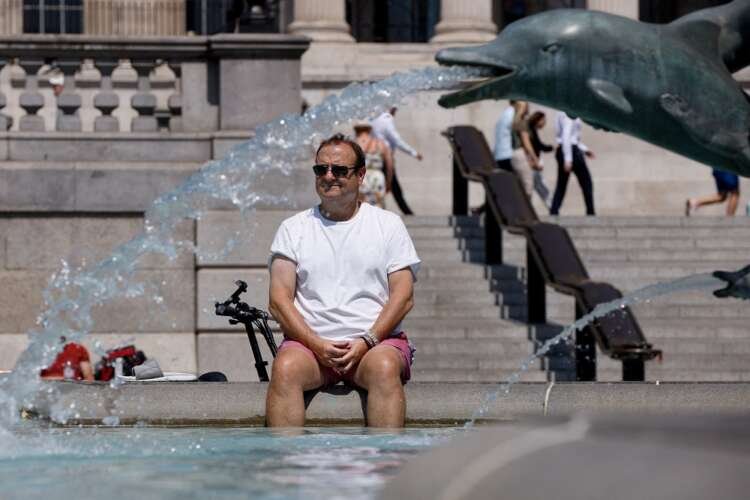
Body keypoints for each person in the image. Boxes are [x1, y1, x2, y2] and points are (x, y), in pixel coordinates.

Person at [265, 133, 420, 428]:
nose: (328, 176)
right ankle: (285, 469)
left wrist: (366, 341)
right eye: (320, 169)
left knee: (385, 367)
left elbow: (403, 296)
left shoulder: (388, 225)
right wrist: (316, 344)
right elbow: (278, 300)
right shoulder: (292, 228)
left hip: (375, 345)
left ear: (361, 175)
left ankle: (385, 467)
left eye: (339, 170)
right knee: (285, 368)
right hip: (309, 347)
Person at [371, 107, 423, 216]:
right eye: (395, 109)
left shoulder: (375, 118)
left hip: (374, 157)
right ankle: (407, 212)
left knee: (378, 185)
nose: (396, 112)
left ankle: (381, 210)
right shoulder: (387, 120)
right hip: (385, 156)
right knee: (393, 185)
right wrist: (413, 153)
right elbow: (397, 141)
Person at [550, 112, 596, 216]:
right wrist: (568, 159)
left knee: (561, 184)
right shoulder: (569, 113)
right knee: (586, 182)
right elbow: (567, 136)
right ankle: (590, 212)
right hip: (571, 151)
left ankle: (554, 210)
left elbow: (568, 137)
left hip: (565, 149)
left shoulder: (559, 112)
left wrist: (585, 150)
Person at [354, 121, 394, 209]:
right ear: (370, 129)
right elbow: (390, 166)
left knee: (361, 207)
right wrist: (388, 182)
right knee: (378, 206)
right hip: (378, 177)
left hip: (360, 177)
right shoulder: (381, 144)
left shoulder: (353, 144)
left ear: (356, 130)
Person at [510, 101, 541, 197]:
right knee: (528, 187)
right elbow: (526, 143)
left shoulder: (515, 121)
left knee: (520, 186)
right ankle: (524, 211)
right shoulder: (522, 122)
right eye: (526, 105)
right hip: (520, 154)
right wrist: (535, 159)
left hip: (516, 154)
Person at [528, 110, 554, 208]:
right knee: (538, 186)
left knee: (539, 186)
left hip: (533, 162)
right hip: (532, 163)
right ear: (538, 120)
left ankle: (551, 206)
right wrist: (551, 148)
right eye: (544, 120)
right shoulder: (531, 131)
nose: (544, 123)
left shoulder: (532, 130)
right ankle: (552, 207)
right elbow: (537, 146)